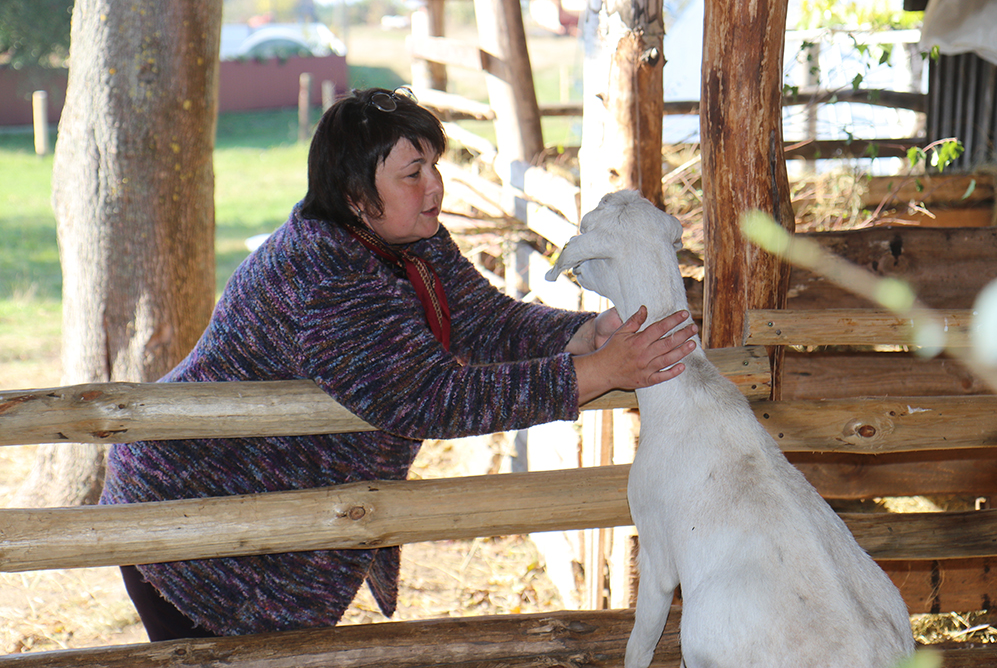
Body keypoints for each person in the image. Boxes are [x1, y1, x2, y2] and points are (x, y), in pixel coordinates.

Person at [99, 87, 699, 640]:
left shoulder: (407, 241)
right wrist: (598, 373)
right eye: (414, 173)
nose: (435, 185)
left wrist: (582, 334)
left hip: (255, 514)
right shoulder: (323, 274)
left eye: (434, 165)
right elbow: (430, 398)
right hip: (192, 516)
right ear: (356, 195)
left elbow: (481, 319)